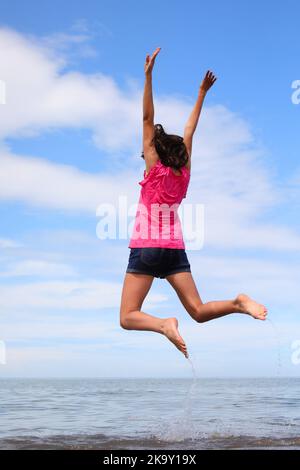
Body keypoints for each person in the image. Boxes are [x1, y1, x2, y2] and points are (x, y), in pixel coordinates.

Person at [120, 47, 267, 358]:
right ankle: (238, 303)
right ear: (182, 156)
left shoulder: (153, 168)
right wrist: (201, 93)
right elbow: (190, 129)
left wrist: (148, 76)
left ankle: (163, 325)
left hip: (146, 248)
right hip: (173, 250)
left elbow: (148, 117)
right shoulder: (183, 174)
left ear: (155, 152)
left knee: (128, 316)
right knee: (198, 312)